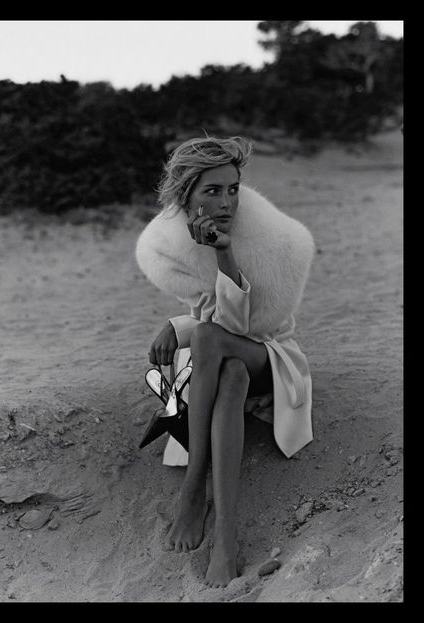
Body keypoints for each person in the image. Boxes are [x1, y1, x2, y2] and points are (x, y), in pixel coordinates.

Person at [135, 136, 315, 588]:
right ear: (186, 195)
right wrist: (180, 324)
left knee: (216, 341)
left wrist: (224, 252)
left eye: (232, 188)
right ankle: (226, 540)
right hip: (229, 363)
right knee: (228, 373)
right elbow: (209, 315)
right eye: (212, 191)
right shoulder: (174, 244)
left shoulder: (272, 240)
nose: (226, 201)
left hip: (271, 355)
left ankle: (195, 487)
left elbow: (244, 326)